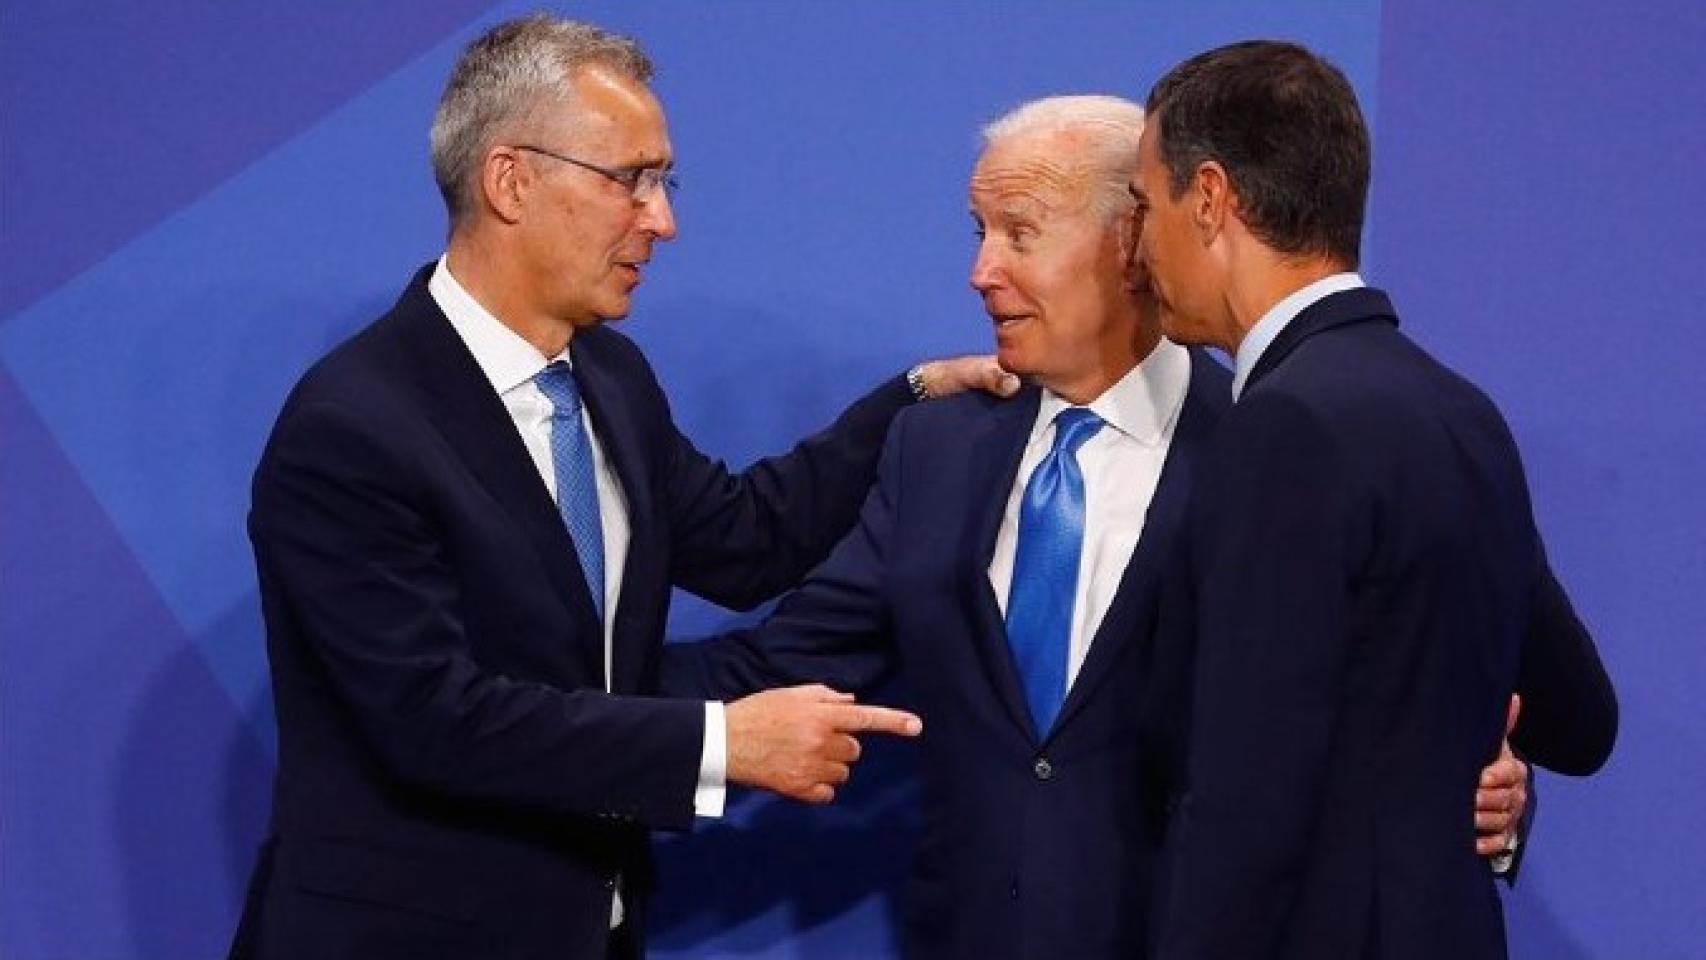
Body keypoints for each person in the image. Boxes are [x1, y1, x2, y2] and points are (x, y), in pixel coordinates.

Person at [663, 95, 1584, 958]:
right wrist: (565, 692)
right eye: (979, 232)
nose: (981, 271)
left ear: (1134, 238)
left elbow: (1458, 682)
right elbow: (775, 669)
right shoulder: (936, 449)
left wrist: (1484, 786)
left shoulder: (1275, 445)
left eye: (1019, 233)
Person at [227, 15, 1011, 960]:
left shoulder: (609, 377)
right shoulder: (353, 427)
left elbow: (748, 539)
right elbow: (437, 719)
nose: (662, 219)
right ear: (510, 179)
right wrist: (723, 745)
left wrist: (913, 399)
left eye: (664, 180)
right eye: (630, 178)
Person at [1130, 40, 1613, 958]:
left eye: (1143, 205)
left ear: (1211, 199)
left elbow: (1244, 800)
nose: (1139, 245)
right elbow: (1579, 717)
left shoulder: (1281, 428)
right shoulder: (1461, 411)